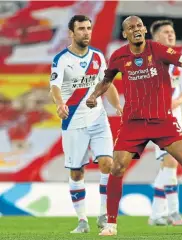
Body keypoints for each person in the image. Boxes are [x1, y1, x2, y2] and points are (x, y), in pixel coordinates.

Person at [86, 15, 182, 236]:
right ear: (125, 33)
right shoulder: (118, 56)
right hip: (133, 123)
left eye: (139, 26)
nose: (136, 29)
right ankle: (111, 224)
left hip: (163, 120)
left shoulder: (158, 50)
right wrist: (94, 95)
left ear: (145, 31)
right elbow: (107, 80)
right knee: (117, 168)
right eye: (131, 27)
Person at [49, 15, 122, 233]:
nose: (86, 32)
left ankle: (103, 213)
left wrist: (118, 107)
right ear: (71, 33)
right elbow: (54, 86)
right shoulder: (61, 59)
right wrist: (60, 103)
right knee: (77, 172)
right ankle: (82, 220)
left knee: (108, 163)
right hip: (73, 122)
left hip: (98, 119)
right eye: (81, 29)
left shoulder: (98, 57)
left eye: (89, 28)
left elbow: (106, 84)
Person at [148, 20, 182, 226]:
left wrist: (176, 102)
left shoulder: (179, 62)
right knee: (171, 162)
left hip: (176, 117)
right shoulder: (148, 61)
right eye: (165, 32)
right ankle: (173, 212)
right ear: (155, 37)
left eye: (172, 32)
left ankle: (156, 214)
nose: (170, 35)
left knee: (169, 165)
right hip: (158, 119)